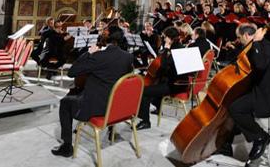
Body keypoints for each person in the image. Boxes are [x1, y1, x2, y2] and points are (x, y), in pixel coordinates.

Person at [51, 25, 134, 157]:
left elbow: (72, 72)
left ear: (106, 38)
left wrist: (89, 54)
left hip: (98, 107)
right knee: (80, 92)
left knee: (65, 102)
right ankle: (111, 131)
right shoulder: (128, 57)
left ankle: (67, 147)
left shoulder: (99, 56)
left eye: (103, 32)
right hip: (117, 106)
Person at [216, 24, 270, 162]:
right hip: (255, 89)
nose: (238, 40)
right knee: (231, 103)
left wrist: (256, 42)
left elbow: (260, 64)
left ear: (247, 36)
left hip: (266, 95)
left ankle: (260, 136)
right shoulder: (251, 46)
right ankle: (226, 143)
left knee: (235, 108)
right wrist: (235, 49)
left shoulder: (265, 45)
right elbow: (243, 60)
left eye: (239, 37)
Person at [136, 27, 189, 130]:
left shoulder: (176, 50)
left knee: (144, 91)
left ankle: (145, 121)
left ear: (170, 38)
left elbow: (165, 67)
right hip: (176, 82)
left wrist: (166, 51)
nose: (164, 39)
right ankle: (156, 106)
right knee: (154, 86)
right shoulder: (179, 47)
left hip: (175, 85)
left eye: (165, 37)